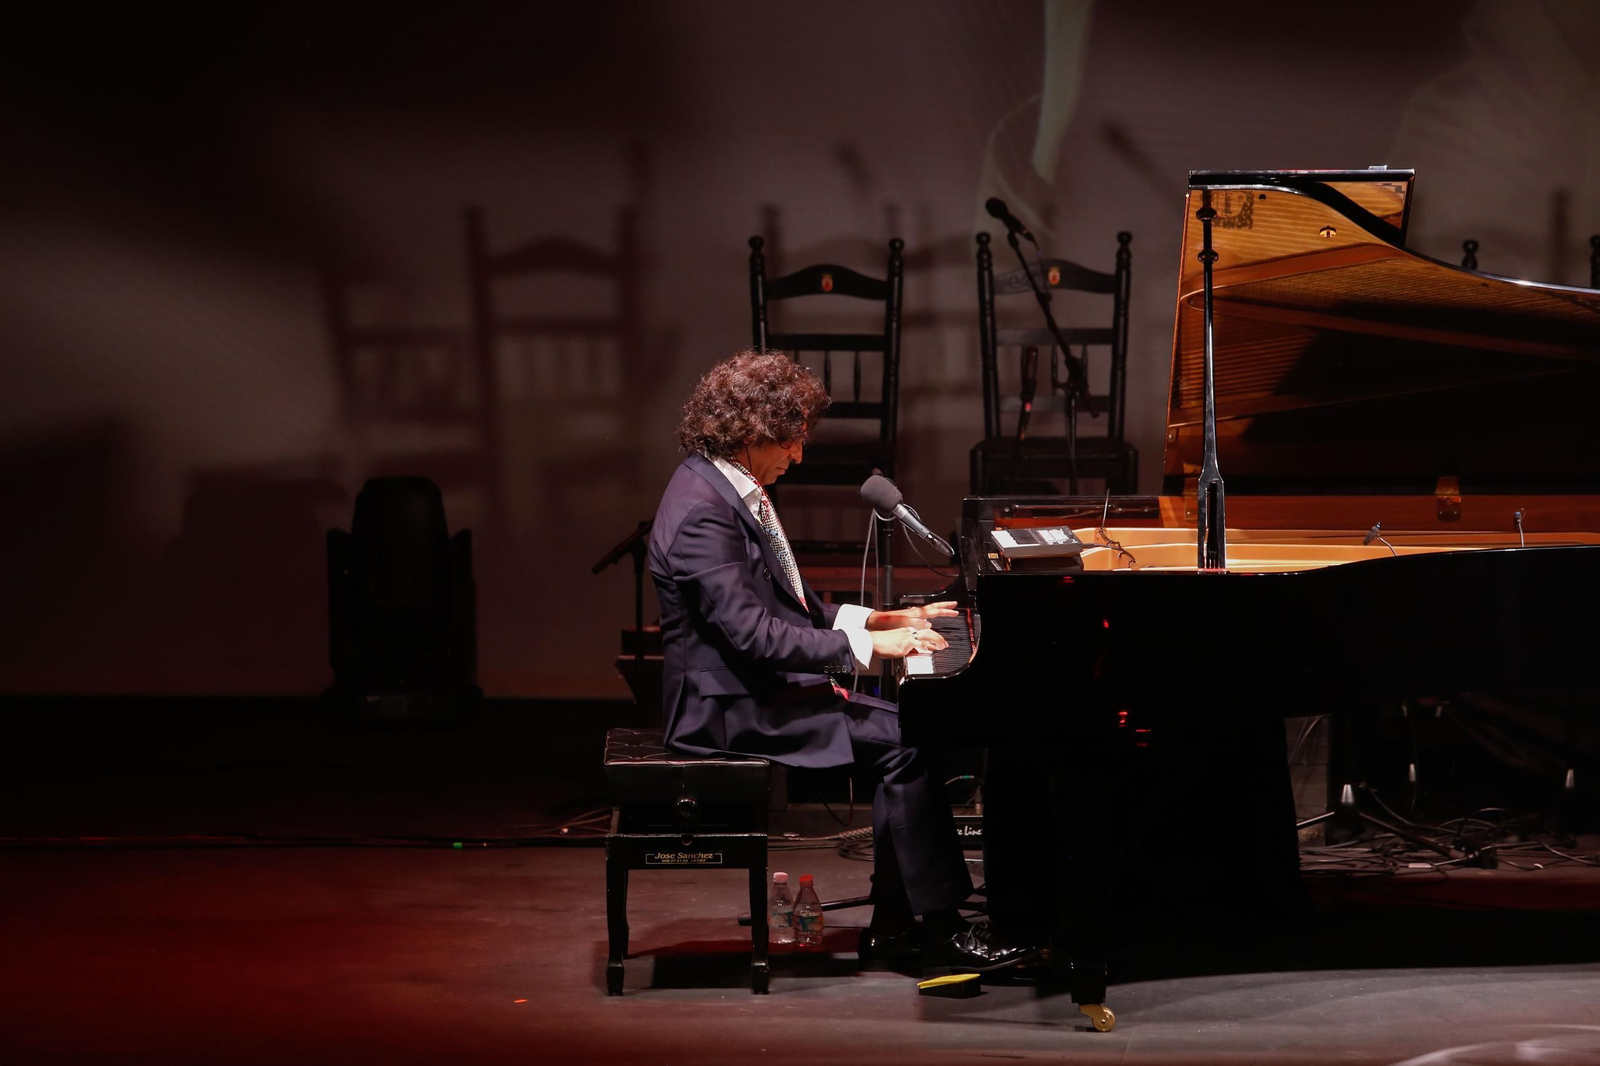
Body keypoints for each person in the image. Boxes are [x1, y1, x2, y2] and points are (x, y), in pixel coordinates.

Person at [648, 349, 1036, 971]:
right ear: (751, 433)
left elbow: (788, 605)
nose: (798, 457)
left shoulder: (720, 485)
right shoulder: (704, 512)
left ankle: (897, 923)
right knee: (908, 741)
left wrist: (879, 619)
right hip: (726, 710)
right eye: (792, 442)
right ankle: (933, 932)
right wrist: (868, 648)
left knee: (907, 733)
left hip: (754, 690)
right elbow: (755, 637)